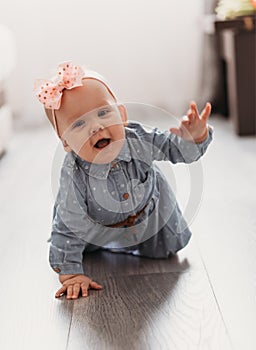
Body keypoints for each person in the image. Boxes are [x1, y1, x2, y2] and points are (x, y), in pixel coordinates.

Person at [34, 61, 213, 300]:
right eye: (78, 124)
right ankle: (93, 250)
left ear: (122, 114)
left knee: (169, 251)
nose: (95, 126)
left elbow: (174, 150)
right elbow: (68, 224)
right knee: (81, 239)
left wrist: (194, 137)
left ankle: (151, 240)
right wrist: (70, 274)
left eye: (103, 113)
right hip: (97, 227)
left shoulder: (138, 139)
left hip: (147, 213)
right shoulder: (73, 174)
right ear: (65, 142)